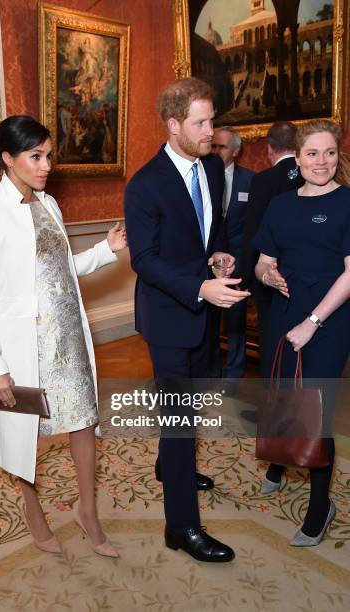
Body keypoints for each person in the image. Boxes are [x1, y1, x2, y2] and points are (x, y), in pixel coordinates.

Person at [0, 115, 127, 557]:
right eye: (36, 156)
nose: (46, 165)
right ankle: (32, 508)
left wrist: (104, 251)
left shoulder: (49, 204)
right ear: (8, 159)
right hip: (20, 348)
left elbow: (59, 272)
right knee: (23, 434)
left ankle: (86, 511)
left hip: (67, 338)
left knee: (83, 422)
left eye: (48, 155)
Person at [124, 78, 250, 563]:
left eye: (212, 120)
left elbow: (211, 228)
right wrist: (199, 286)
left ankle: (167, 464)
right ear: (173, 125)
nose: (210, 131)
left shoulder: (213, 167)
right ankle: (181, 527)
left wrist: (217, 255)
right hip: (169, 317)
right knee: (179, 419)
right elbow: (145, 260)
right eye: (200, 122)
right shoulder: (145, 184)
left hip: (206, 311)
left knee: (192, 405)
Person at [253, 119, 350, 545]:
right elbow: (262, 260)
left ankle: (319, 506)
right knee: (282, 391)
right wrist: (268, 275)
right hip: (284, 311)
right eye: (313, 153)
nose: (322, 162)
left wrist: (312, 323)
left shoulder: (348, 203)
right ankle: (280, 459)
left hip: (329, 318)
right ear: (298, 155)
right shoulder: (281, 205)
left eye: (330, 152)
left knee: (316, 407)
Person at [240, 121, 304, 376]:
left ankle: (272, 402)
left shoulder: (264, 180)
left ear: (269, 149)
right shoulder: (312, 175)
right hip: (305, 273)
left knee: (271, 338)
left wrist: (244, 275)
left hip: (270, 273)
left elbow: (253, 231)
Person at [209, 126, 254, 379]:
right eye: (213, 145)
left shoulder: (250, 180)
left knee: (236, 321)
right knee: (209, 321)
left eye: (222, 147)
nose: (215, 151)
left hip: (238, 262)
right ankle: (211, 372)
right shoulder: (201, 177)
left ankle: (234, 375)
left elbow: (254, 224)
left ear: (235, 151)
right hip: (207, 263)